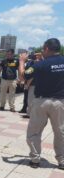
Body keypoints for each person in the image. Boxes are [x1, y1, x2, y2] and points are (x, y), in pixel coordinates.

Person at [19, 38, 64, 169]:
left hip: (41, 101)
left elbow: (23, 76)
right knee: (60, 132)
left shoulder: (40, 65)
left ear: (46, 49)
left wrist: (22, 61)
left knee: (34, 131)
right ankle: (62, 160)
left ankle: (35, 159)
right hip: (60, 102)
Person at [20, 52, 43, 118]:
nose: (36, 56)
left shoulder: (34, 64)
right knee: (32, 100)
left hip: (33, 85)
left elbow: (30, 75)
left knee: (31, 100)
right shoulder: (42, 63)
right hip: (38, 85)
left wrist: (27, 84)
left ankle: (30, 114)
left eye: (38, 55)